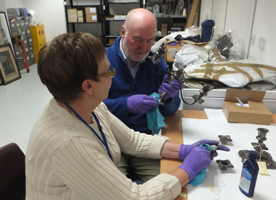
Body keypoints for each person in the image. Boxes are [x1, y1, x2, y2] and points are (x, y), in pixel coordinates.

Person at [25, 32, 229, 199]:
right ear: (88, 86)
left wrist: (184, 150)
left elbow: (131, 140)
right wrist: (189, 168)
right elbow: (135, 198)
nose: (113, 73)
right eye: (108, 70)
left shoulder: (85, 105)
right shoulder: (68, 143)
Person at [104, 8, 181, 181]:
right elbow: (88, 107)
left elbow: (171, 110)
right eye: (138, 40)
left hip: (144, 142)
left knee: (167, 184)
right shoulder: (102, 61)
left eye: (150, 41)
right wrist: (126, 105)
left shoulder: (156, 63)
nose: (144, 48)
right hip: (111, 140)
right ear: (123, 32)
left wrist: (168, 98)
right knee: (113, 189)